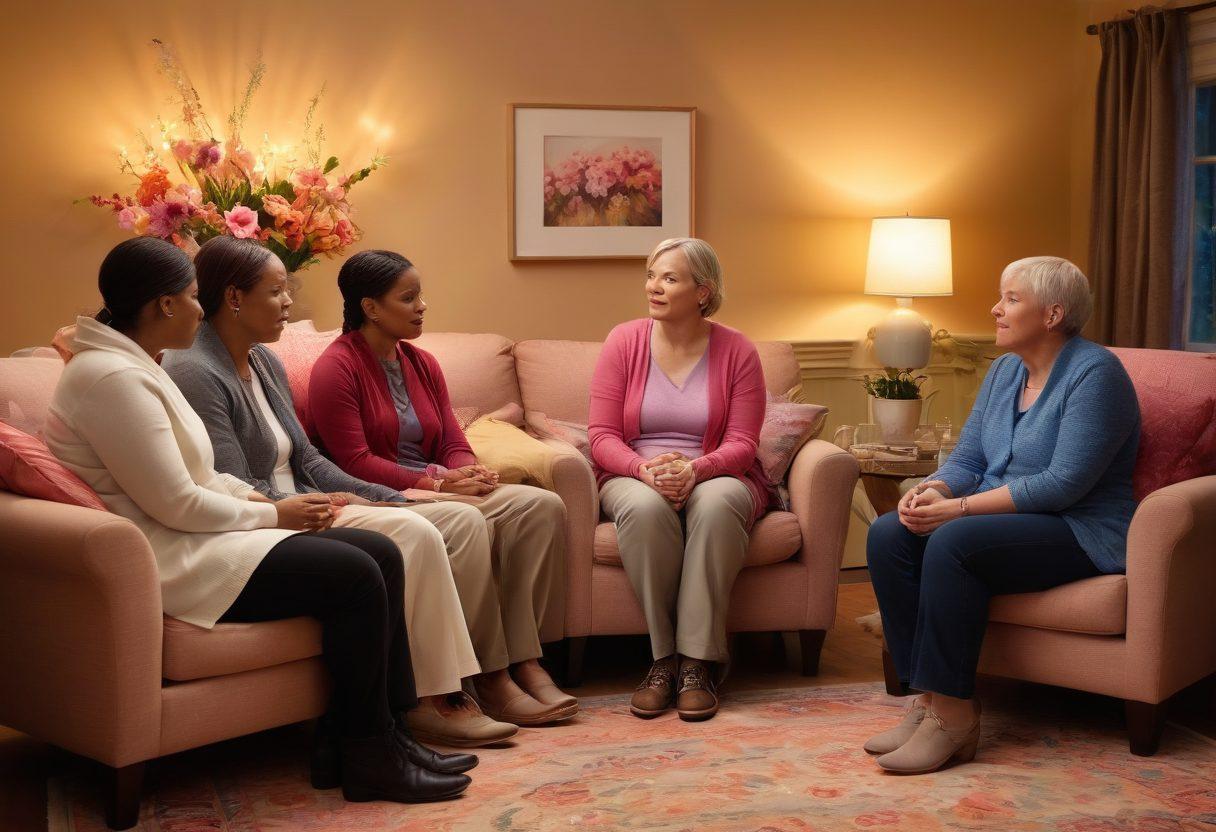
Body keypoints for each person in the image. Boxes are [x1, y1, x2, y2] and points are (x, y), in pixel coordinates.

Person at [44, 237, 472, 804]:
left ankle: (381, 738)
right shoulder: (112, 379)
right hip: (174, 554)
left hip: (202, 533)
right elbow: (176, 504)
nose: (201, 310)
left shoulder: (134, 367)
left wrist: (272, 509)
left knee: (382, 552)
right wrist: (273, 512)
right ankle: (368, 751)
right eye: (194, 297)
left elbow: (203, 477)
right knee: (355, 572)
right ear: (165, 306)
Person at [161, 237, 524, 747]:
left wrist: (388, 494)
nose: (289, 302)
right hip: (275, 518)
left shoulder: (263, 361)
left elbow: (309, 459)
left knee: (435, 517)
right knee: (416, 534)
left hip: (308, 500)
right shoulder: (198, 371)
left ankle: (452, 690)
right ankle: (431, 700)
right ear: (235, 298)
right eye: (277, 291)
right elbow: (234, 483)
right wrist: (343, 502)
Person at [865, 256, 1141, 774]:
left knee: (954, 541)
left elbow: (1063, 484)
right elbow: (969, 458)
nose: (995, 308)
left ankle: (954, 717)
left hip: (1080, 527)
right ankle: (924, 701)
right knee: (888, 534)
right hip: (1003, 518)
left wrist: (959, 510)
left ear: (1053, 313)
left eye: (1011, 299)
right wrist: (931, 489)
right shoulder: (1004, 371)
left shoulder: (1095, 374)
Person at [308, 250, 576, 726]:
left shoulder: (422, 361)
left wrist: (468, 471)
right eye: (408, 298)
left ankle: (525, 660)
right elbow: (354, 461)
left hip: (439, 486)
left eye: (420, 296)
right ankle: (490, 676)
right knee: (468, 519)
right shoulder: (336, 369)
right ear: (370, 307)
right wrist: (436, 481)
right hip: (384, 495)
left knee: (540, 507)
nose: (421, 306)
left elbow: (451, 437)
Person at [588, 237, 770, 722]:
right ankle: (663, 661)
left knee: (716, 505)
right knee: (645, 509)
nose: (654, 287)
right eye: (651, 275)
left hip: (716, 470)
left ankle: (699, 663)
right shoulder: (623, 341)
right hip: (634, 471)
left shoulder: (738, 351)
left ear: (703, 291)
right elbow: (601, 435)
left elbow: (743, 444)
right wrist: (643, 470)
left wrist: (695, 470)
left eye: (670, 278)